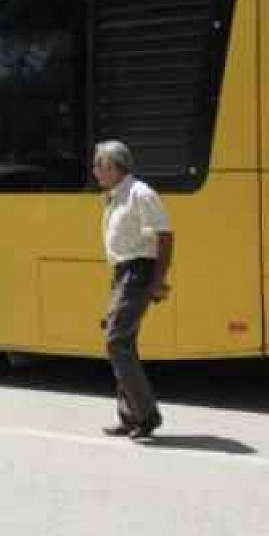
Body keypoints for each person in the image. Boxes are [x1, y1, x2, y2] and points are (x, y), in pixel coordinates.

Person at [91, 140, 173, 439]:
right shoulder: (115, 196)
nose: (95, 171)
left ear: (113, 167)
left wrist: (156, 281)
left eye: (98, 165)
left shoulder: (140, 193)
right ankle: (130, 417)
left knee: (116, 342)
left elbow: (164, 237)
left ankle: (146, 415)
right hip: (123, 273)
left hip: (137, 273)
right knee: (123, 343)